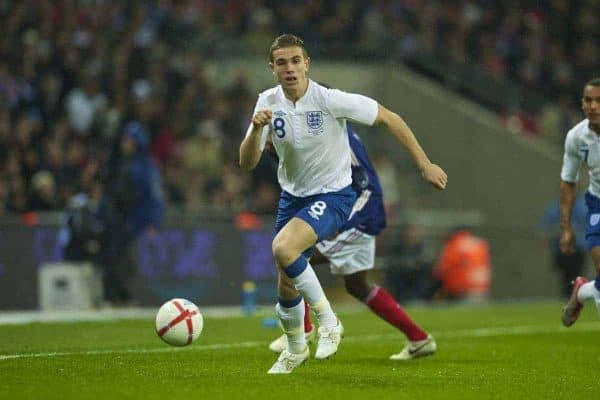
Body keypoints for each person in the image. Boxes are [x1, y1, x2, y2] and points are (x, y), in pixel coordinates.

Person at [239, 34, 447, 374]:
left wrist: (424, 164)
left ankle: (325, 322)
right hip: (295, 198)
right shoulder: (267, 103)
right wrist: (253, 132)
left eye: (296, 61)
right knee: (310, 271)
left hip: (348, 204)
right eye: (282, 62)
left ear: (307, 64)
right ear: (272, 68)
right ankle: (297, 346)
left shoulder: (333, 105)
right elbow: (246, 163)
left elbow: (389, 120)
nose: (290, 68)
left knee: (287, 251)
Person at [268, 125, 437, 361]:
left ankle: (303, 329)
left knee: (293, 254)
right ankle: (419, 339)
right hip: (359, 217)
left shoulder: (341, 141)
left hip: (360, 219)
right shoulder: (327, 135)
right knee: (357, 285)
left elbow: (367, 186)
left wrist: (343, 223)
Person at [100, 121, 165, 305]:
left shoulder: (143, 167)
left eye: (129, 140)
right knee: (115, 258)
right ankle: (115, 296)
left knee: (123, 260)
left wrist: (153, 222)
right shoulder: (123, 163)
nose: (125, 143)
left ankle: (120, 296)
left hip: (130, 221)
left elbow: (153, 197)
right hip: (118, 220)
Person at [560, 77, 600, 327]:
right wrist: (566, 227)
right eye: (589, 100)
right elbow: (568, 181)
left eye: (599, 100)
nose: (594, 106)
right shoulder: (576, 137)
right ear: (582, 104)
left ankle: (582, 292)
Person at [539, 196, 587, 298]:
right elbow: (545, 228)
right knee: (566, 278)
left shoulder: (581, 207)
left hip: (577, 250)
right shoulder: (554, 209)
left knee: (575, 276)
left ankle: (575, 297)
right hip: (561, 251)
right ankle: (569, 297)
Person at [431, 227, 492, 303]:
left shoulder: (454, 244)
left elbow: (443, 269)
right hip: (480, 286)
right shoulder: (480, 243)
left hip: (460, 287)